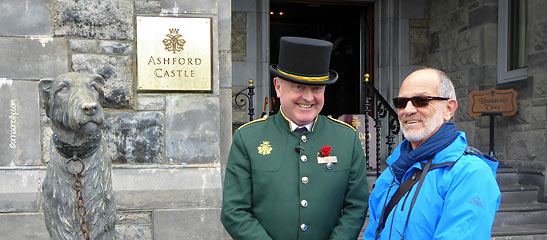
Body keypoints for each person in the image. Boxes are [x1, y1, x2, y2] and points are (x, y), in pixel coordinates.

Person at [221, 36, 369, 239]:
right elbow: (234, 211)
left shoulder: (346, 138)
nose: (308, 98)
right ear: (278, 87)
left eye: (317, 88)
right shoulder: (248, 138)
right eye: (298, 87)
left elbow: (356, 207)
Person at [364, 68, 501, 239]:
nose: (407, 110)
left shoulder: (470, 174)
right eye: (401, 102)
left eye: (421, 101)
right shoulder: (393, 170)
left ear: (449, 109)